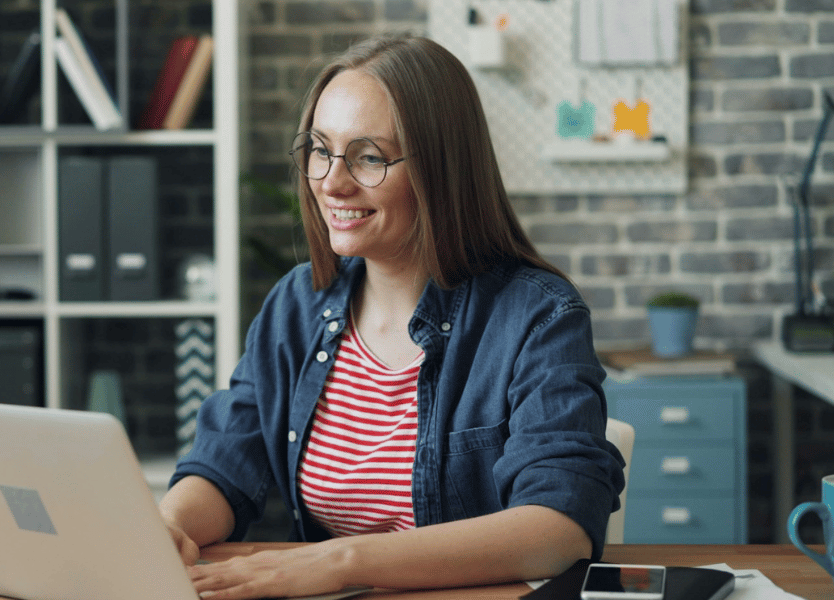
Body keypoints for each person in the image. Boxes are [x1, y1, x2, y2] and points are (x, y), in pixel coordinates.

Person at [158, 32, 626, 600]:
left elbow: (560, 528)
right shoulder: (296, 304)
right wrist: (171, 526)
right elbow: (224, 464)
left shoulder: (537, 316)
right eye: (320, 149)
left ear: (441, 170)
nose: (332, 181)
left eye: (370, 156)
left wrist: (344, 562)